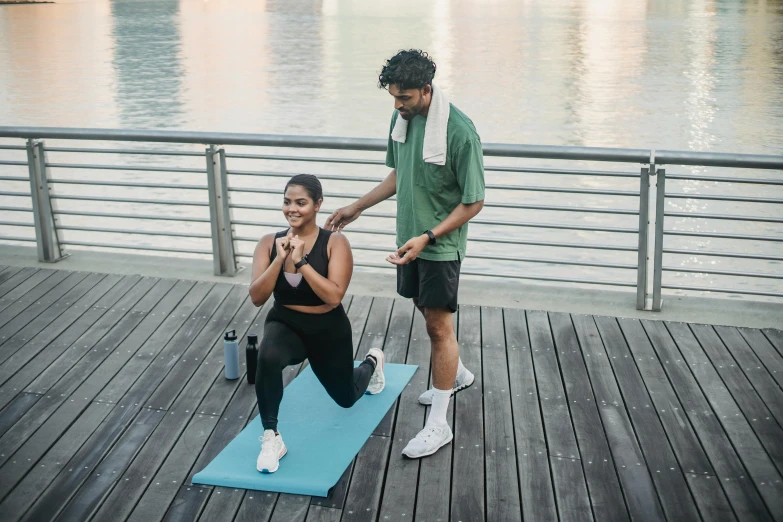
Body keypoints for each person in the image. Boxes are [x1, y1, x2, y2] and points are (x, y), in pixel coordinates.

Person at [325, 50, 485, 458]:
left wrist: (429, 237)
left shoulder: (459, 133)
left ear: (427, 90)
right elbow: (400, 173)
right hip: (409, 238)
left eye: (406, 98)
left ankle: (439, 424)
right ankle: (458, 374)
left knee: (438, 328)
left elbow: (473, 201)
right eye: (394, 97)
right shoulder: (404, 119)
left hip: (439, 244)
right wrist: (356, 206)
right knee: (424, 308)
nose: (398, 105)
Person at [249, 174, 385, 473]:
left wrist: (300, 262)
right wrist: (279, 260)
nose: (292, 209)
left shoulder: (335, 242)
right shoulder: (268, 243)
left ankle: (373, 364)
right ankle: (272, 436)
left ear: (317, 205)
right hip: (286, 324)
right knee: (268, 356)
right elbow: (257, 297)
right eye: (287, 202)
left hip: (328, 329)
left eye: (301, 203)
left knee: (347, 398)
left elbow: (334, 296)